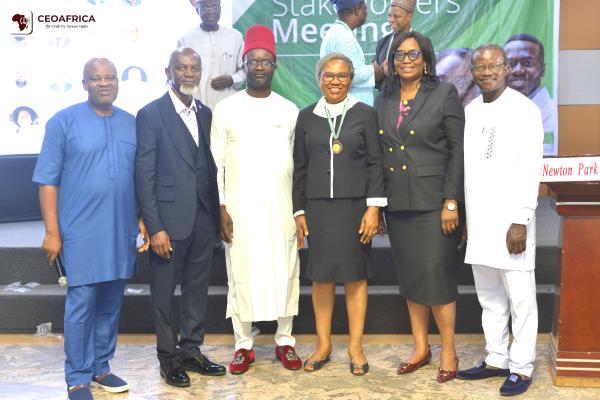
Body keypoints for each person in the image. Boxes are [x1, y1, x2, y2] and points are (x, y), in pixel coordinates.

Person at [33, 58, 149, 400]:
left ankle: (101, 368)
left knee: (111, 303)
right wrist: (52, 232)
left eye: (110, 77)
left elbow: (138, 177)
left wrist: (141, 218)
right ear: (84, 83)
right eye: (96, 78)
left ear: (118, 82)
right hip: (80, 231)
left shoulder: (131, 123)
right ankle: (77, 377)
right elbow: (47, 181)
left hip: (120, 231)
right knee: (82, 304)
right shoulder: (62, 122)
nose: (104, 83)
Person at [211, 25, 302, 375]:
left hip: (281, 208)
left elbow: (299, 165)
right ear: (244, 64)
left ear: (275, 65)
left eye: (266, 60)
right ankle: (243, 345)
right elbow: (217, 164)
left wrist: (299, 211)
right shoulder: (226, 109)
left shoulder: (289, 110)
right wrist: (221, 207)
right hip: (240, 210)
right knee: (240, 272)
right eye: (253, 60)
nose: (259, 66)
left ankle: (285, 340)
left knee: (285, 270)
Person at [374, 31, 464, 383]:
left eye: (413, 54)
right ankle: (420, 348)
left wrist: (451, 201)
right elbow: (379, 156)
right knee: (411, 278)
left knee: (436, 277)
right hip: (398, 203)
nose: (406, 60)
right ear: (391, 62)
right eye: (399, 55)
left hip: (435, 203)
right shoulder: (383, 98)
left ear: (426, 59)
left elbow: (457, 150)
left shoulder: (444, 93)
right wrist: (379, 204)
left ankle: (449, 350)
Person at [135, 48, 226, 388]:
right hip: (168, 222)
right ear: (168, 72)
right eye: (181, 68)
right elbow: (144, 174)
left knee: (196, 289)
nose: (188, 74)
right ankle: (167, 357)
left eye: (194, 68)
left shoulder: (205, 113)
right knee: (163, 292)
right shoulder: (151, 114)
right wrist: (154, 226)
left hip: (202, 218)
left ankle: (190, 350)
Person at [456, 44, 543, 397]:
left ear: (506, 69)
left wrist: (521, 219)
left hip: (512, 224)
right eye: (480, 67)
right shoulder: (472, 110)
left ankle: (521, 367)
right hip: (480, 222)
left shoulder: (525, 110)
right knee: (489, 298)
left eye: (494, 66)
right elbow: (470, 171)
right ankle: (496, 359)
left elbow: (531, 167)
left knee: (520, 299)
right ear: (473, 73)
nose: (487, 72)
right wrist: (467, 217)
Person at [293, 53, 385, 376]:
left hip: (355, 209)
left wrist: (374, 207)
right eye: (329, 75)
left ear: (351, 79)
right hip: (318, 209)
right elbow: (300, 167)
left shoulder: (365, 114)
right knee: (321, 278)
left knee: (355, 277)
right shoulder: (306, 117)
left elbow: (376, 163)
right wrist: (299, 210)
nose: (335, 81)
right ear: (319, 79)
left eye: (342, 75)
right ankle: (323, 345)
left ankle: (355, 347)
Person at [178, 0, 245, 110]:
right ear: (197, 10)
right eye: (205, 8)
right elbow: (179, 74)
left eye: (214, 7)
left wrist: (232, 79)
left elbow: (245, 70)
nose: (210, 11)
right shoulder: (186, 39)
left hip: (229, 107)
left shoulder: (235, 37)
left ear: (220, 9)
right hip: (197, 107)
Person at [320, 0, 384, 106]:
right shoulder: (344, 38)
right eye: (365, 8)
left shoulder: (336, 32)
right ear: (357, 9)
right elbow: (349, 75)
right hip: (351, 110)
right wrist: (374, 70)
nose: (366, 12)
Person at [504, 34, 557, 155]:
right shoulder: (494, 110)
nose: (518, 70)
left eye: (528, 63)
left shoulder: (552, 115)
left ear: (542, 69)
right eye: (511, 64)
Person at [373, 0, 416, 87]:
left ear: (409, 16)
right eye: (389, 15)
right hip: (385, 94)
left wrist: (392, 73)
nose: (391, 20)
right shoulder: (383, 42)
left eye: (397, 16)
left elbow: (425, 75)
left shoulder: (420, 42)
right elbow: (376, 76)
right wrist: (376, 72)